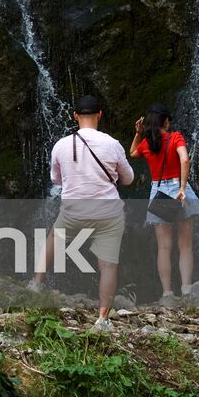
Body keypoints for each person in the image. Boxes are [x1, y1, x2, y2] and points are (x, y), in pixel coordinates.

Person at [30, 95, 135, 331]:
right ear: (100, 114)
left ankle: (36, 284)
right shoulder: (112, 144)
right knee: (108, 266)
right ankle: (102, 319)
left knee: (54, 239)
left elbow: (56, 179)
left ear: (75, 115)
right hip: (108, 211)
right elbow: (128, 179)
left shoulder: (61, 145)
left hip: (74, 209)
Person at [130, 103, 199, 302]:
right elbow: (185, 159)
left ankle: (167, 293)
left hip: (159, 191)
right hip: (178, 189)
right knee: (185, 245)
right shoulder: (175, 137)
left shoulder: (147, 143)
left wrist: (138, 134)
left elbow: (132, 153)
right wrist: (182, 188)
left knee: (164, 247)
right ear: (166, 121)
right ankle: (187, 289)